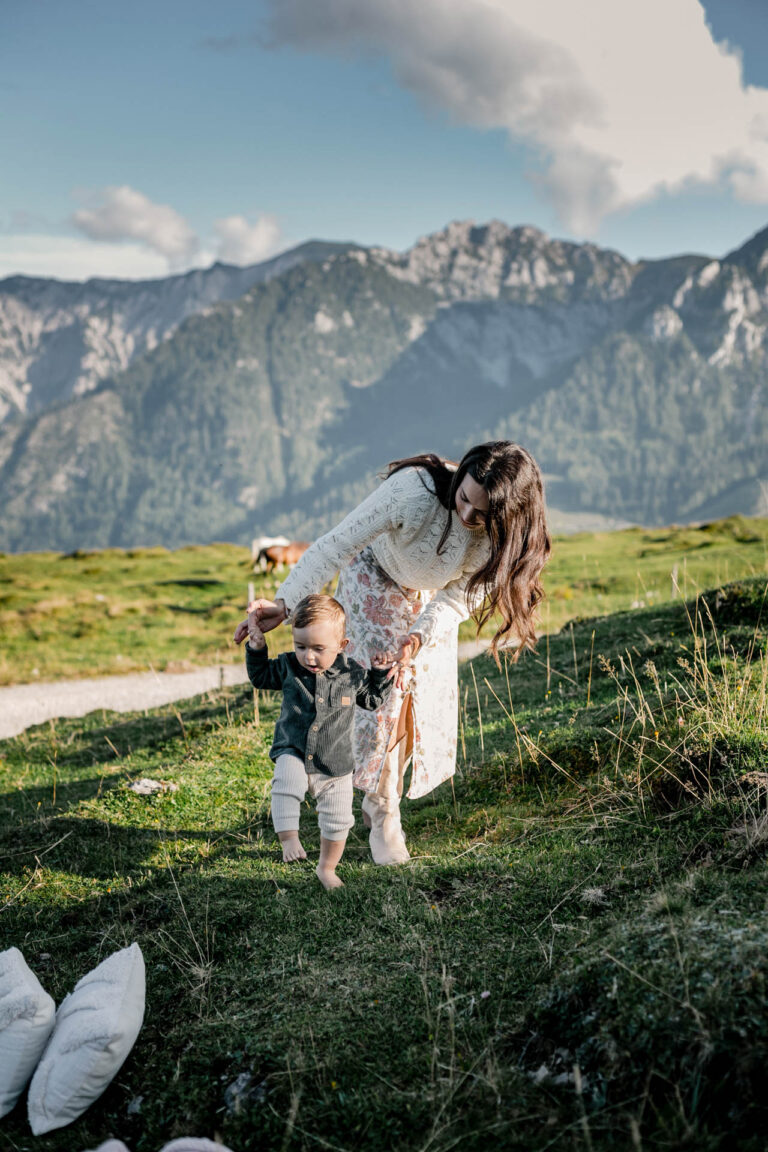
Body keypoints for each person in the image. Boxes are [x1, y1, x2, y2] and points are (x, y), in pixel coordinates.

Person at [234, 441, 551, 866]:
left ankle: (380, 801)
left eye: (483, 514)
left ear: (509, 517)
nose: (467, 516)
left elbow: (457, 599)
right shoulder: (414, 491)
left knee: (416, 701)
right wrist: (286, 602)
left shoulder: (505, 540)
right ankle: (384, 810)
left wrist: (420, 637)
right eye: (463, 499)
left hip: (430, 599)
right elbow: (336, 544)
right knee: (387, 693)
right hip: (375, 576)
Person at [244, 593, 394, 889]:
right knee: (286, 785)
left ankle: (326, 868)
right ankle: (289, 840)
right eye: (300, 646)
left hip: (335, 763)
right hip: (294, 749)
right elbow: (260, 677)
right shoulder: (289, 667)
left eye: (318, 648)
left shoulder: (353, 674)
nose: (308, 656)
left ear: (342, 646)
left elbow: (373, 700)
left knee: (338, 820)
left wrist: (379, 676)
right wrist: (257, 648)